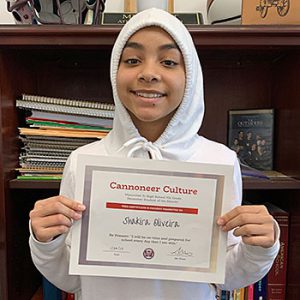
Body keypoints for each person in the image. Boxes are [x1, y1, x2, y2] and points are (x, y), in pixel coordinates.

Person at [29, 8, 280, 300]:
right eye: (133, 60)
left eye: (169, 61)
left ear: (190, 76)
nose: (148, 73)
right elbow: (72, 279)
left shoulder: (218, 161)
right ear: (115, 71)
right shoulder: (83, 162)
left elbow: (228, 275)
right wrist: (46, 241)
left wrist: (261, 246)